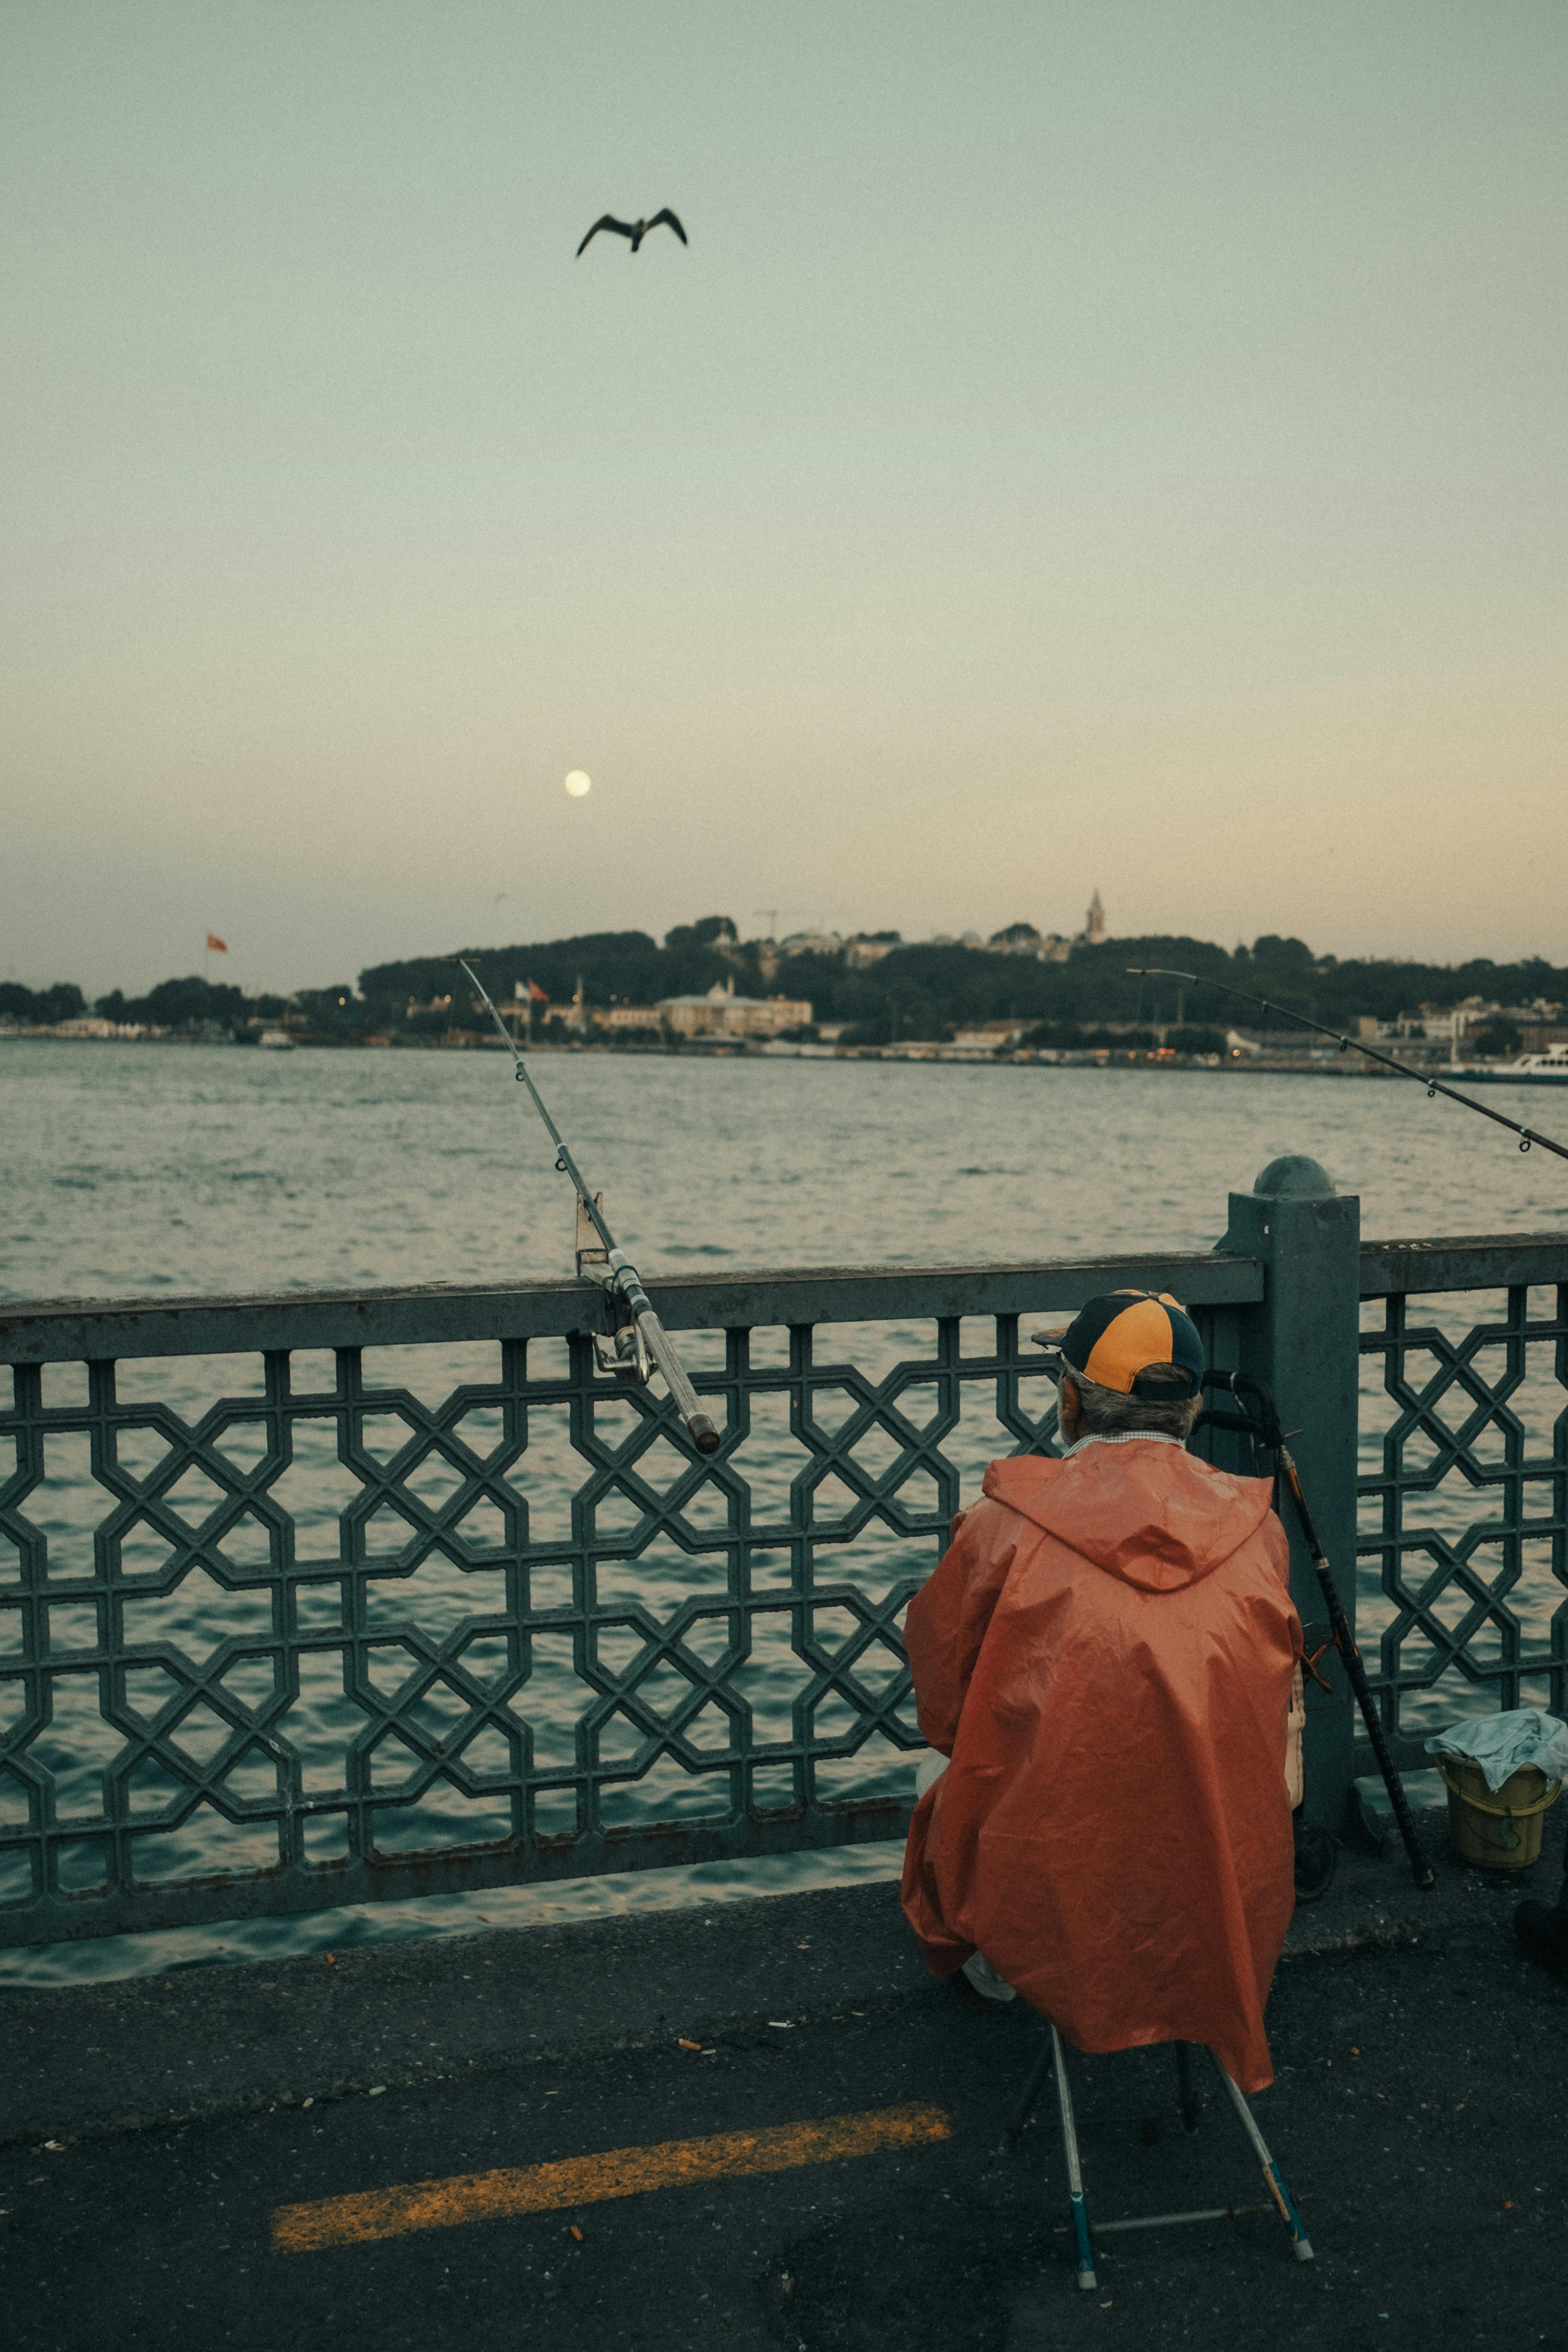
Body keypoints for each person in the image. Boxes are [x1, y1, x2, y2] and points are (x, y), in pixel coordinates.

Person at [900, 1289, 1303, 2094]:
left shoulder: (999, 1523)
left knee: (937, 1774)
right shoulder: (1257, 1528)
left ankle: (1002, 1976)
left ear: (1072, 1397)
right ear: (1189, 1408)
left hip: (1051, 1867)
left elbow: (943, 1710)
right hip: (1214, 1877)